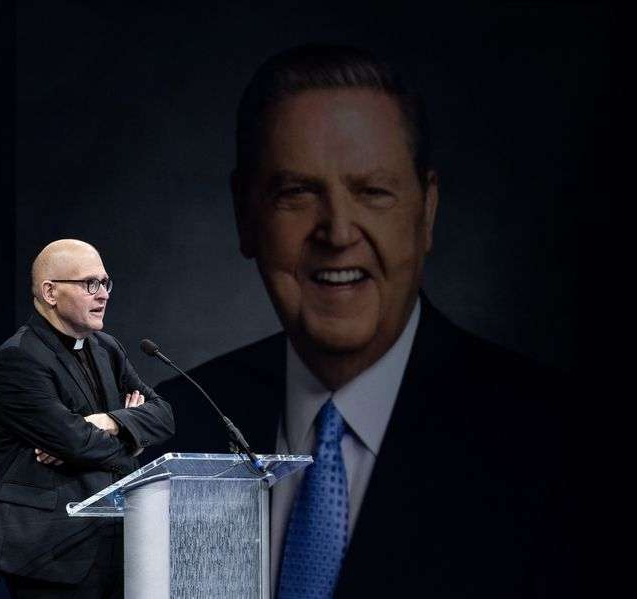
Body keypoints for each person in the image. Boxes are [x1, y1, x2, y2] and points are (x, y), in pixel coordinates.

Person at [154, 45, 574, 597]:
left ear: (426, 213)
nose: (338, 232)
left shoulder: (560, 446)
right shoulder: (173, 430)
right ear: (245, 215)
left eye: (372, 192)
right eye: (297, 193)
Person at [0, 239, 174, 598]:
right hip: (51, 555)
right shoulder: (20, 358)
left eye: (105, 283)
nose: (102, 294)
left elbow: (164, 416)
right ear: (50, 292)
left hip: (116, 544)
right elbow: (76, 443)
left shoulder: (106, 347)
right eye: (90, 284)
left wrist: (109, 422)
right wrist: (132, 438)